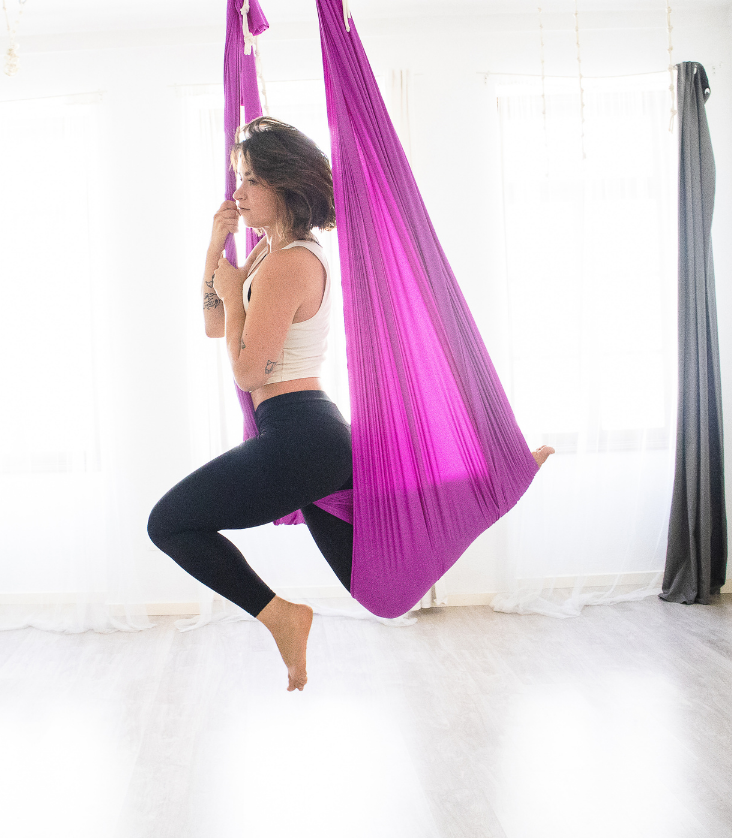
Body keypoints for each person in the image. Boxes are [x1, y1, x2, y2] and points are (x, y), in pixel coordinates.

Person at [148, 117, 552, 692]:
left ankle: (281, 615)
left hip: (301, 436)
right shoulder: (267, 253)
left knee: (169, 523)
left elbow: (244, 369)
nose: (238, 192)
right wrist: (217, 247)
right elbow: (216, 325)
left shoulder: (293, 263)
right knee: (381, 589)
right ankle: (486, 486)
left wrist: (237, 294)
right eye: (239, 178)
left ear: (285, 186)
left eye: (252, 180)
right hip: (303, 434)